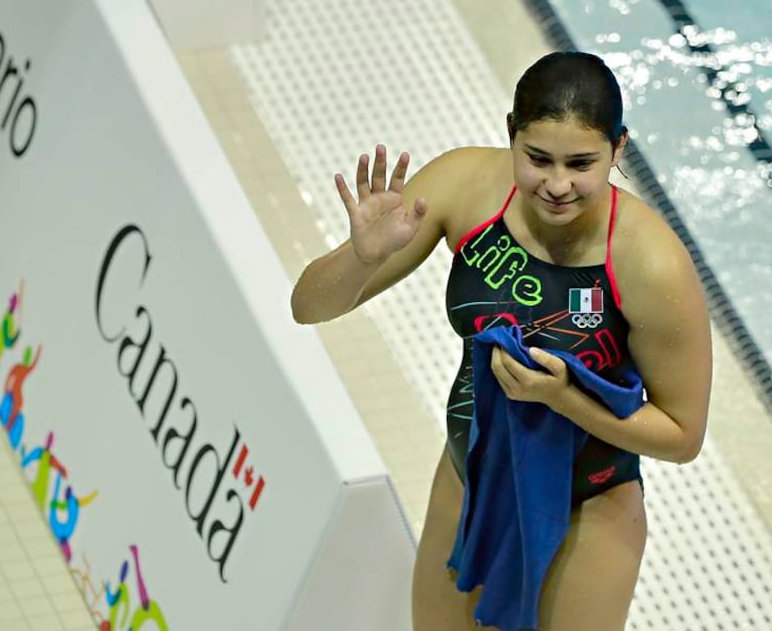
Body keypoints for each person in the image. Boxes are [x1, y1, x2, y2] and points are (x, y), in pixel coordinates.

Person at [290, 51, 713, 631]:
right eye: (537, 158)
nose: (558, 185)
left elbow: (682, 436)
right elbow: (309, 306)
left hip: (587, 504)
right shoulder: (465, 186)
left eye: (582, 163)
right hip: (471, 475)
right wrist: (362, 258)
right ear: (510, 132)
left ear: (619, 150)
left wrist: (566, 400)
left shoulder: (649, 262)